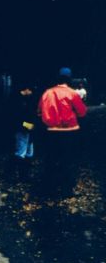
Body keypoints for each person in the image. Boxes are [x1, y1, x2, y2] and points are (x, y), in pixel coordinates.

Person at [38, 67, 87, 197]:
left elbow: (39, 112)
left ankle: (49, 188)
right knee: (68, 160)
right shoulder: (72, 93)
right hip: (70, 131)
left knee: (51, 159)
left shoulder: (47, 93)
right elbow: (82, 112)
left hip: (51, 131)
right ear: (69, 79)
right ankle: (67, 189)